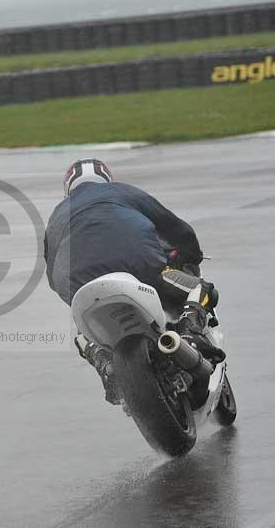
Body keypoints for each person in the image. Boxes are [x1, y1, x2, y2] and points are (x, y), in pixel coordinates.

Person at [43, 158, 223, 405]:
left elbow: (51, 274)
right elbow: (176, 228)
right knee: (201, 289)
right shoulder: (123, 191)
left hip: (79, 287)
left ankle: (103, 362)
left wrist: (72, 289)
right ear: (108, 179)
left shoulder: (57, 214)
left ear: (68, 187)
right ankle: (192, 331)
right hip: (142, 268)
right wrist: (190, 255)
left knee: (81, 330)